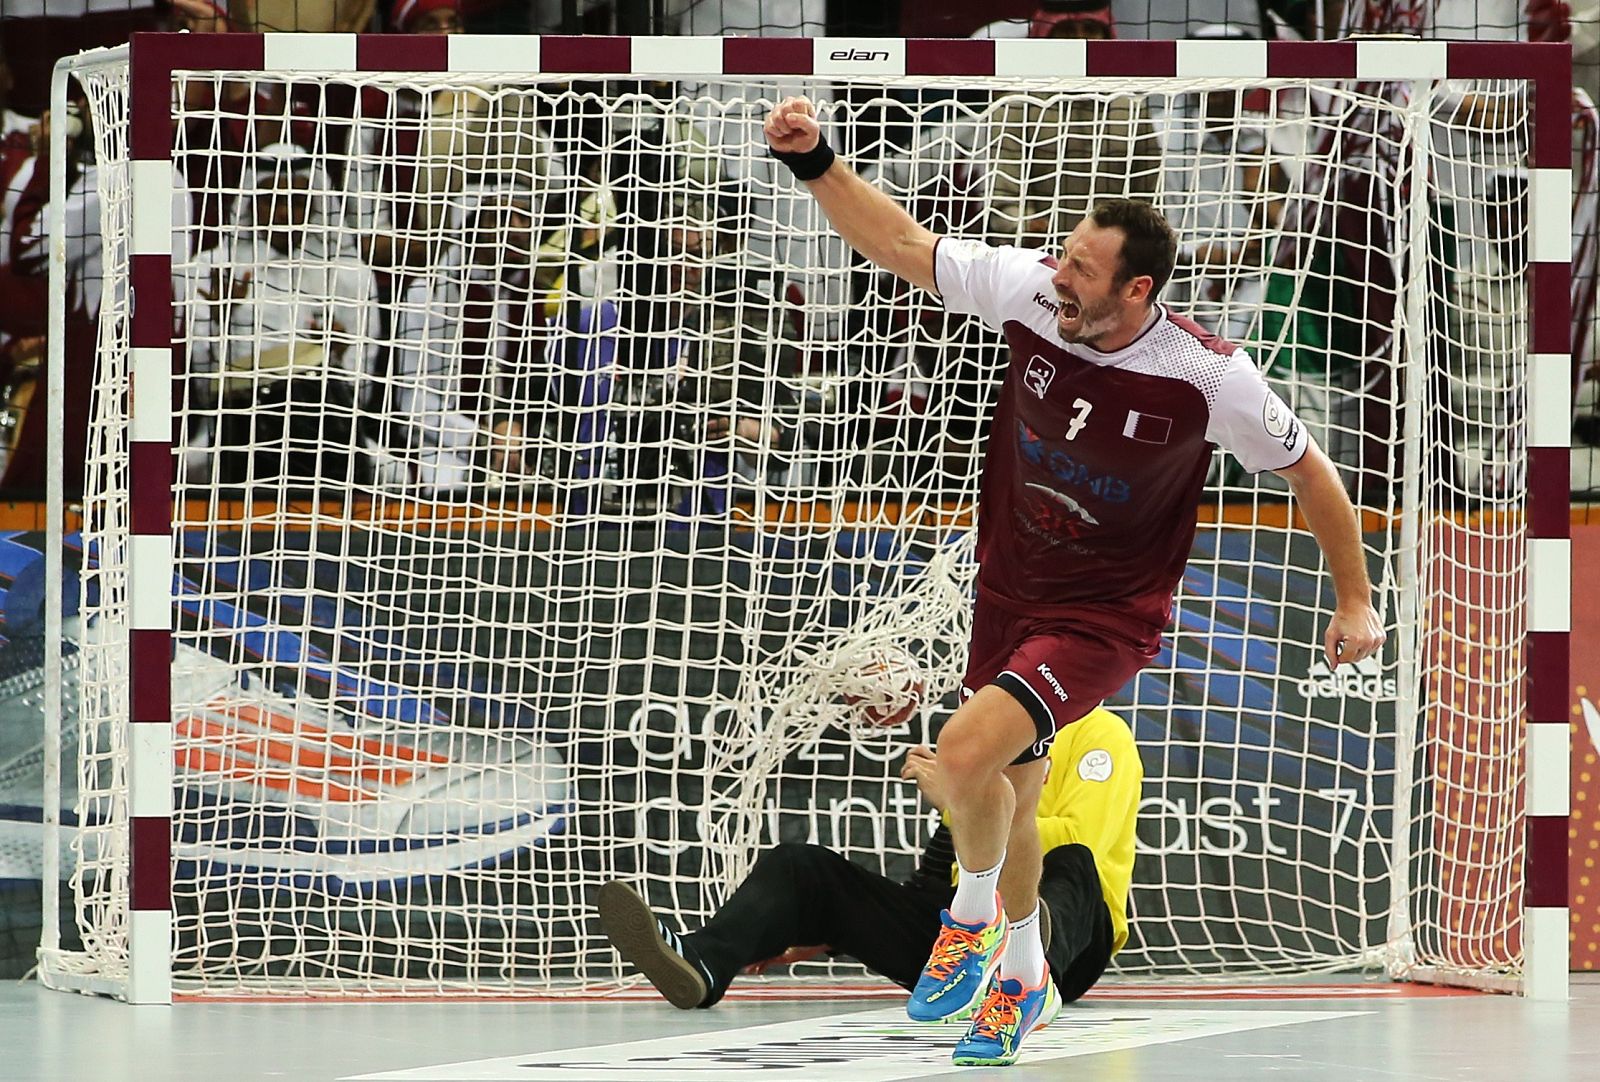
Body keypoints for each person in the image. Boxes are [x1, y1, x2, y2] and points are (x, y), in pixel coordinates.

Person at [758, 98, 1385, 1067]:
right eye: (1060, 254)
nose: (1059, 273)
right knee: (1008, 786)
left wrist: (1353, 597)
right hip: (1009, 587)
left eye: (1082, 269)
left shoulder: (1209, 378)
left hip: (1103, 615)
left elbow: (1312, 473)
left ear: (1135, 291)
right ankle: (1020, 968)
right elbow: (901, 243)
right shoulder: (1030, 293)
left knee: (963, 755)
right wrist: (815, 162)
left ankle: (969, 920)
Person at [597, 705, 1140, 1015]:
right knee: (802, 868)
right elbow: (941, 875)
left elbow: (1082, 845)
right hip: (969, 942)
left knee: (1068, 861)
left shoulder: (1100, 734)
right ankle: (705, 961)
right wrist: (846, 928)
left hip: (1074, 945)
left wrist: (960, 803)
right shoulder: (988, 738)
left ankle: (1028, 962)